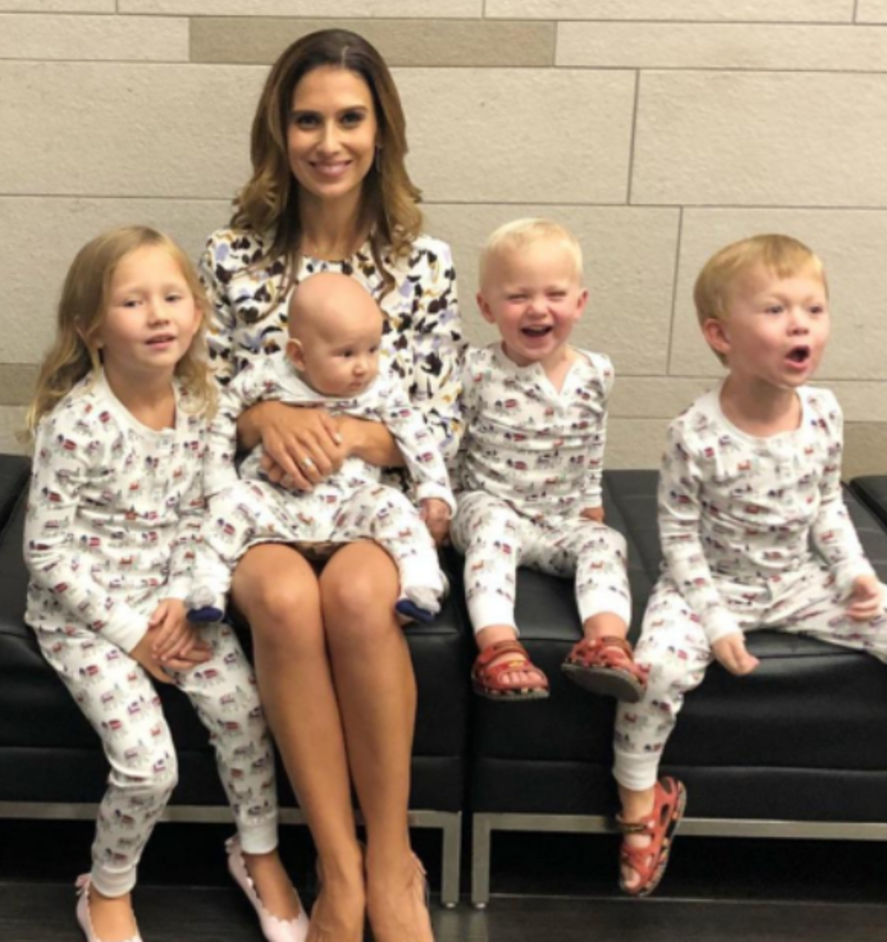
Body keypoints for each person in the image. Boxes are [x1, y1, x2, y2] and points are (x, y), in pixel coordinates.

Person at [612, 234, 887, 900]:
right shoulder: (694, 431)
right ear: (720, 334)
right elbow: (676, 536)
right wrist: (714, 620)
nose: (800, 324)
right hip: (711, 586)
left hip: (798, 581)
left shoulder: (823, 412)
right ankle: (641, 808)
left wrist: (854, 573)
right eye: (775, 310)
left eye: (813, 310)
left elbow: (826, 503)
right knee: (658, 672)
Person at [201, 28, 462, 942]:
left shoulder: (422, 265)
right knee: (278, 595)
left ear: (381, 130)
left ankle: (391, 859)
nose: (328, 141)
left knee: (355, 594)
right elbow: (205, 397)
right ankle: (338, 866)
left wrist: (355, 434)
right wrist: (260, 419)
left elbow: (441, 418)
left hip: (364, 503)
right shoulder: (233, 257)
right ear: (279, 131)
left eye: (350, 118)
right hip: (266, 500)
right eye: (307, 119)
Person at [22, 226, 306, 942]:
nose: (158, 315)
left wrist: (186, 597)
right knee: (150, 768)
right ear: (90, 328)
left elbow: (212, 514)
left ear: (197, 311)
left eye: (172, 296)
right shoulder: (76, 426)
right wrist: (133, 634)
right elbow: (48, 557)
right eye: (132, 301)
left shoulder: (203, 407)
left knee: (247, 713)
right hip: (88, 613)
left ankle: (258, 851)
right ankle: (108, 889)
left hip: (178, 597)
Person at [187, 272, 454, 627]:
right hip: (275, 500)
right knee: (228, 509)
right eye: (346, 354)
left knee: (394, 508)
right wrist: (219, 484)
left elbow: (416, 437)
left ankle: (421, 585)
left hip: (351, 505)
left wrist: (434, 491)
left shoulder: (380, 387)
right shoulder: (266, 377)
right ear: (298, 355)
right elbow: (221, 418)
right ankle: (207, 588)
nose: (364, 366)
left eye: (373, 349)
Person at [451, 219, 645, 703]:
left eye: (555, 295)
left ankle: (606, 643)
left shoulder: (596, 372)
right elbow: (448, 441)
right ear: (486, 307)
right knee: (492, 529)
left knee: (606, 542)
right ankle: (499, 649)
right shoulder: (476, 370)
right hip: (488, 504)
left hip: (559, 519)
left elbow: (592, 439)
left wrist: (591, 499)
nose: (538, 309)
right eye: (517, 297)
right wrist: (438, 503)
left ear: (579, 302)